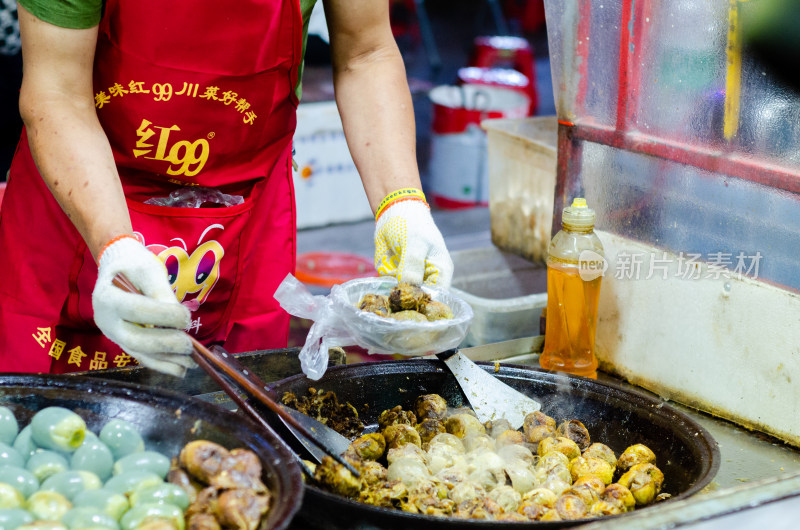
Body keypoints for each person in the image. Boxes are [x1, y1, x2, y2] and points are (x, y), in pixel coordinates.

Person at [0, 0, 453, 376]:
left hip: (244, 221)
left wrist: (401, 203)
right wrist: (114, 244)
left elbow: (365, 52)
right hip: (79, 208)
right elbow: (57, 93)